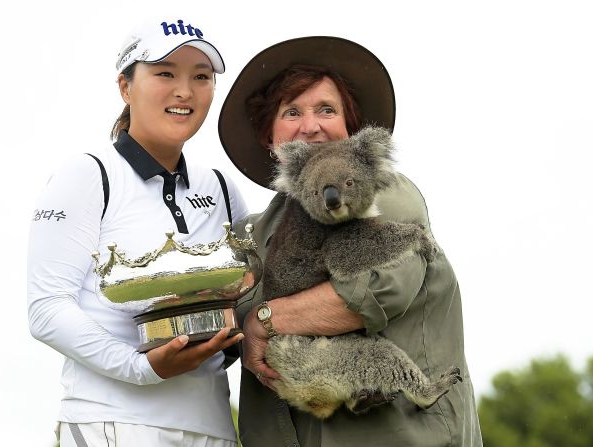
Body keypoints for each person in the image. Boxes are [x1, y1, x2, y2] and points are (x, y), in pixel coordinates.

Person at [218, 37, 483, 446]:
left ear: (350, 127)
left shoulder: (382, 193)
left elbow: (362, 295)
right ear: (271, 141)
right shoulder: (255, 230)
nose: (311, 125)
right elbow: (223, 326)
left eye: (326, 109)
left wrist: (262, 321)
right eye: (292, 112)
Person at [27, 18, 248, 447]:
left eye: (201, 77)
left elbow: (249, 291)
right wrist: (141, 367)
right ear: (126, 87)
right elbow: (46, 309)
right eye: (165, 73)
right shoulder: (87, 175)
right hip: (113, 423)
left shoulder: (221, 187)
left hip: (213, 426)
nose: (184, 90)